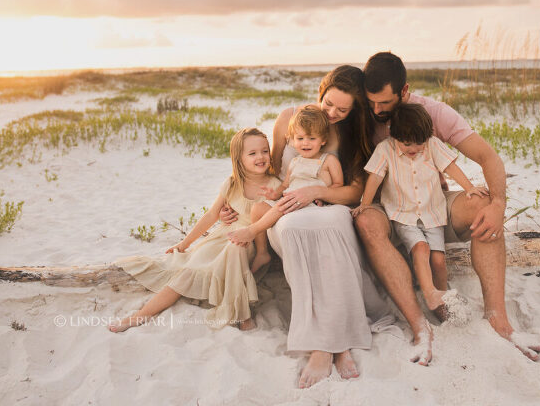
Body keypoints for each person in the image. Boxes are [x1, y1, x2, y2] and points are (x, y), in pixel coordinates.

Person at [354, 52, 540, 362]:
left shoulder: (434, 113)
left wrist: (498, 204)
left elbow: (488, 157)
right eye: (371, 102)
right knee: (367, 222)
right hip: (387, 210)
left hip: (431, 208)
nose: (377, 110)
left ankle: (499, 320)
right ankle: (419, 327)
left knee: (482, 205)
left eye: (385, 104)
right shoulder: (363, 113)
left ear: (404, 91)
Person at [217, 66, 391, 388]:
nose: (333, 113)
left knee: (331, 229)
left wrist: (317, 191)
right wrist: (235, 202)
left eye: (343, 109)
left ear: (354, 109)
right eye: (329, 104)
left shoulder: (351, 134)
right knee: (294, 229)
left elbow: (353, 191)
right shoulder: (290, 119)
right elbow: (268, 170)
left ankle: (328, 345)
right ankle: (331, 344)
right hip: (287, 209)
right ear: (320, 91)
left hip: (330, 206)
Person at [108, 128, 281, 333]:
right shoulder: (232, 183)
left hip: (248, 242)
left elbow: (275, 214)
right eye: (252, 153)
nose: (260, 157)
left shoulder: (274, 186)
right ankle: (138, 316)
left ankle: (243, 314)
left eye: (264, 151)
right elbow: (211, 216)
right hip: (220, 239)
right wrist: (184, 244)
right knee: (187, 273)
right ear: (239, 158)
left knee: (235, 248)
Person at [352, 103, 487, 322]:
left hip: (432, 212)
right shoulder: (385, 149)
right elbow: (375, 177)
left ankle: (442, 298)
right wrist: (365, 204)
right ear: (394, 135)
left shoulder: (432, 144)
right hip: (403, 214)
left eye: (419, 143)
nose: (414, 148)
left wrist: (470, 188)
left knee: (438, 261)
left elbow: (450, 168)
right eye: (407, 144)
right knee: (420, 248)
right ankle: (430, 294)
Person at [226, 105, 342, 245]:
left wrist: (323, 197)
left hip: (309, 201)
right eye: (300, 138)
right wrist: (275, 194)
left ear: (323, 140)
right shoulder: (294, 162)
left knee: (281, 208)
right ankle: (262, 253)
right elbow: (285, 185)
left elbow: (338, 184)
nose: (305, 143)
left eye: (312, 138)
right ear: (292, 140)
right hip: (290, 199)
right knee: (258, 208)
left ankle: (252, 230)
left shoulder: (328, 160)